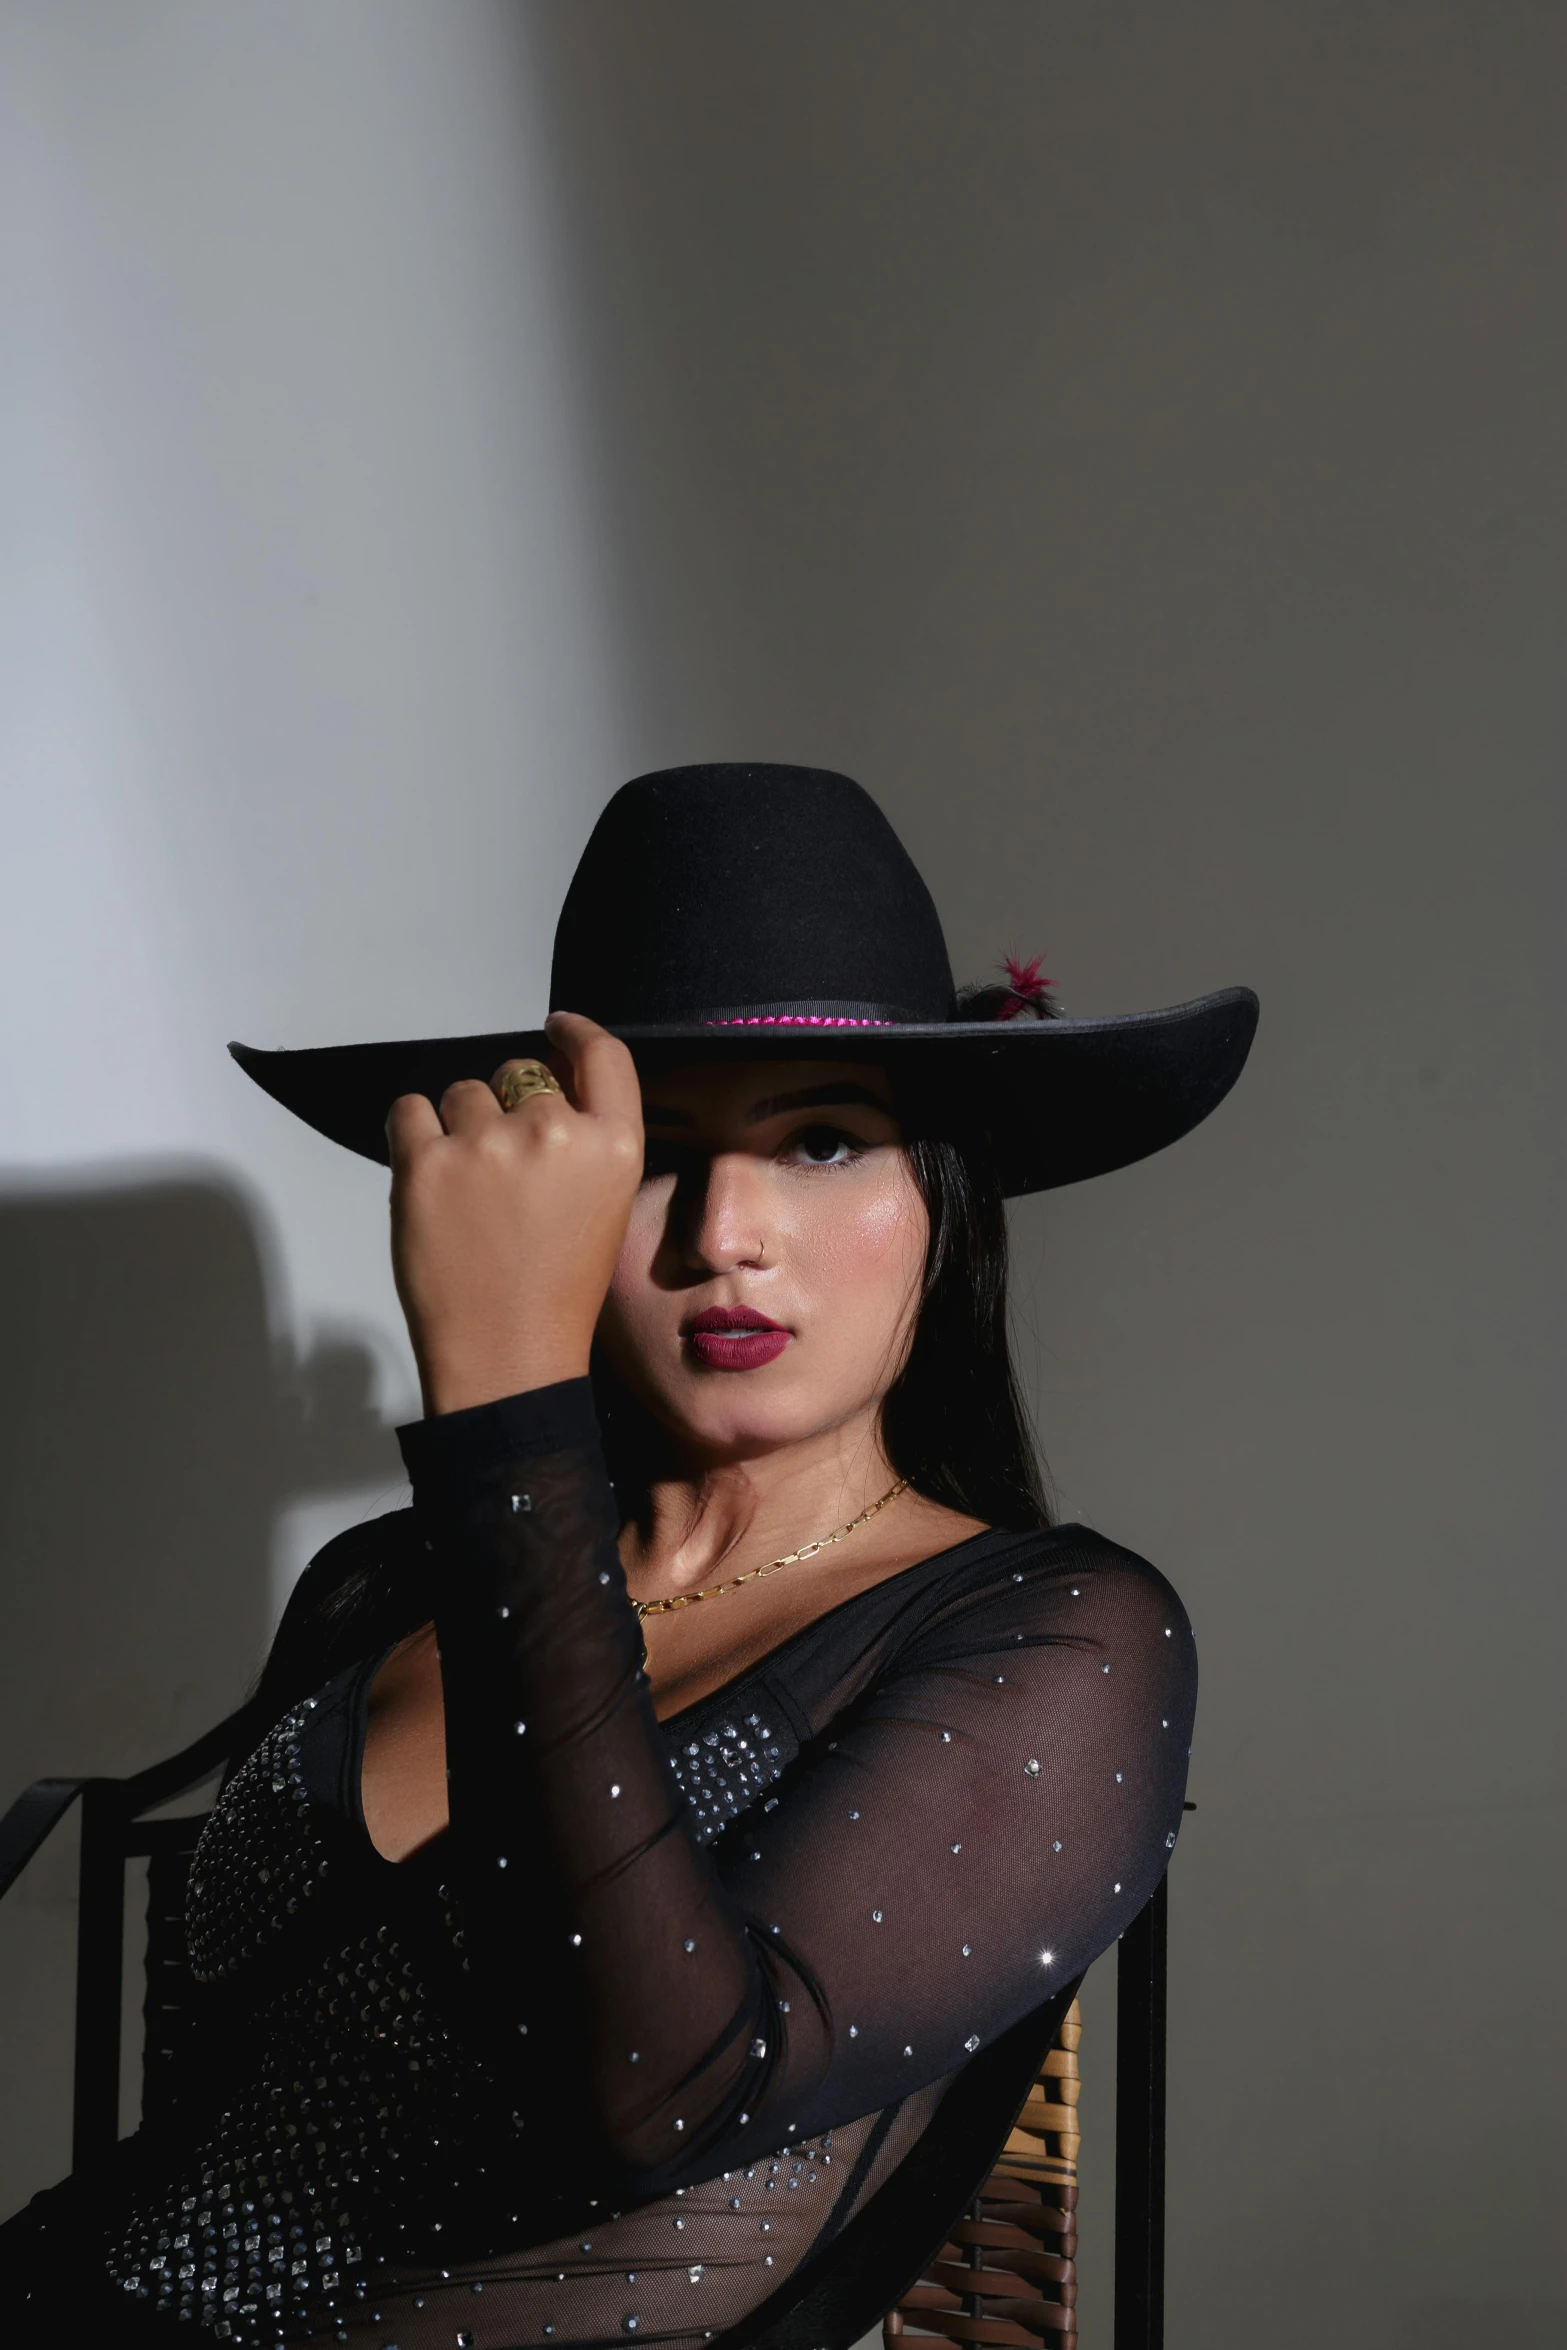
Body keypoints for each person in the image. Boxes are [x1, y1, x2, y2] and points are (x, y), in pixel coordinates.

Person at [0, 765, 1257, 2349]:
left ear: (941, 1197)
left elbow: (652, 2100)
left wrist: (506, 1404)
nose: (723, 1228)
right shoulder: (384, 1588)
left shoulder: (1059, 1632)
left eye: (818, 1141)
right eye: (652, 1152)